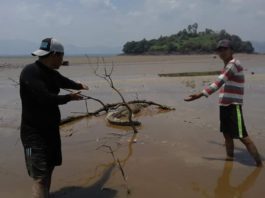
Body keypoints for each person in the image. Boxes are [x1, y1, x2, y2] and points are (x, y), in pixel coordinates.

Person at [19, 38, 88, 198]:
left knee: (49, 167)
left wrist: (79, 85)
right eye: (62, 57)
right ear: (54, 54)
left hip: (50, 131)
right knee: (39, 176)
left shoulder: (51, 73)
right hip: (32, 135)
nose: (63, 60)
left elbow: (63, 80)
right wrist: (69, 98)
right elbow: (45, 98)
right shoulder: (30, 72)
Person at [184, 39, 262, 167]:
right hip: (224, 105)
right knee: (227, 136)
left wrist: (201, 94)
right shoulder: (227, 65)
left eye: (225, 49)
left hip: (233, 105)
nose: (222, 52)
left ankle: (259, 165)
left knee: (243, 137)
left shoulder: (233, 64)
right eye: (219, 50)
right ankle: (229, 161)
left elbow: (219, 82)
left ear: (231, 50)